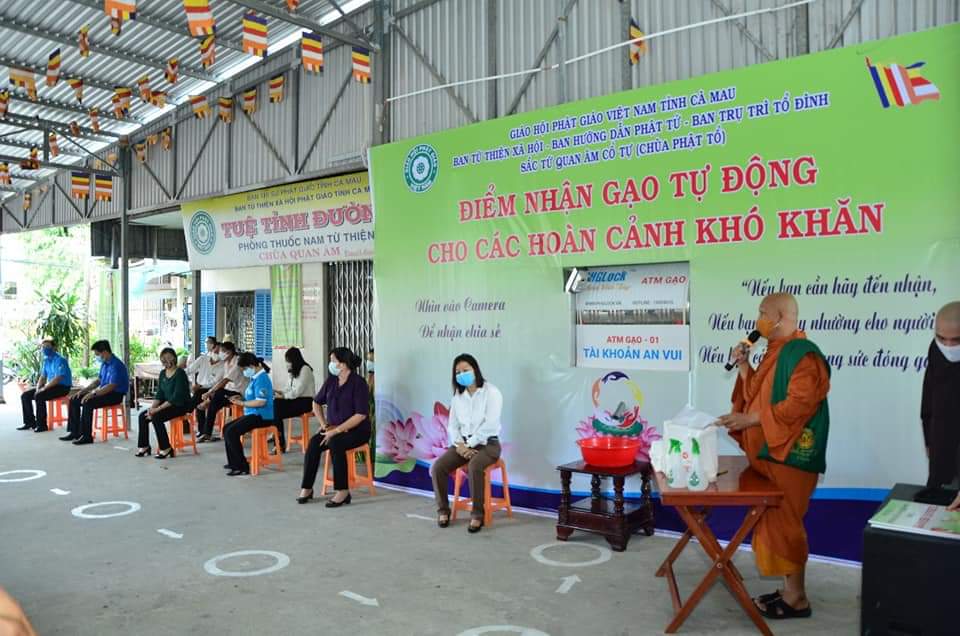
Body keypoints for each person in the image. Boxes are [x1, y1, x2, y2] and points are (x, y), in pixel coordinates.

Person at [717, 293, 830, 620]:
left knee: (788, 524)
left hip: (791, 456)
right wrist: (743, 366)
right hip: (769, 455)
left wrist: (751, 420)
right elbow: (755, 396)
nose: (757, 319)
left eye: (762, 313)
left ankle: (797, 599)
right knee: (777, 522)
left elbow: (799, 405)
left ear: (780, 317)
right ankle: (789, 590)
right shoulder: (774, 352)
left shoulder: (804, 357)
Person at [430, 353, 503, 534]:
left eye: (466, 370)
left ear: (475, 370)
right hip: (462, 443)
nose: (462, 374)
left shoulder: (491, 392)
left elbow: (490, 425)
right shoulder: (458, 395)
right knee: (438, 467)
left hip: (488, 444)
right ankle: (443, 510)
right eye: (458, 372)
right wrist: (460, 445)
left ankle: (477, 514)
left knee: (475, 466)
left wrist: (469, 444)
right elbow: (452, 425)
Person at [296, 347, 371, 507]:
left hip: (357, 431)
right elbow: (316, 403)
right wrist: (325, 426)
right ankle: (307, 488)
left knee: (336, 443)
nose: (330, 364)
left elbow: (360, 415)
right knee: (314, 443)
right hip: (333, 428)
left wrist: (336, 431)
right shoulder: (331, 381)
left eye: (333, 361)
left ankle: (342, 491)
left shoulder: (358, 383)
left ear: (343, 364)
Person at [922, 301, 960, 511]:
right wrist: (930, 439)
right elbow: (929, 399)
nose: (948, 346)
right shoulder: (936, 351)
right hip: (942, 447)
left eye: (956, 340)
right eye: (941, 338)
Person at [61, 340, 129, 445]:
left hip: (115, 394)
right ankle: (75, 432)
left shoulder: (117, 365)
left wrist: (93, 394)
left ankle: (87, 436)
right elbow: (99, 380)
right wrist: (84, 390)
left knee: (88, 402)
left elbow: (111, 386)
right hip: (104, 391)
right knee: (74, 399)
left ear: (105, 352)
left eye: (97, 354)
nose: (97, 357)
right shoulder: (105, 364)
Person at [222, 353, 275, 476]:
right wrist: (240, 398)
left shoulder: (262, 379)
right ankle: (233, 463)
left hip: (262, 416)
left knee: (232, 432)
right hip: (253, 414)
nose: (245, 372)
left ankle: (242, 466)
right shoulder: (255, 378)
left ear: (251, 365)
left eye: (245, 369)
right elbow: (252, 397)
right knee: (227, 428)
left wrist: (241, 403)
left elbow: (261, 402)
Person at [135, 347, 192, 459]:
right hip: (166, 403)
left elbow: (176, 397)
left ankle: (166, 448)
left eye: (169, 358)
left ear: (174, 358)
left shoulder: (180, 373)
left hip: (180, 405)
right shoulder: (162, 373)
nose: (167, 361)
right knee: (143, 416)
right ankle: (144, 446)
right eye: (164, 359)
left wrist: (157, 409)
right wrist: (152, 408)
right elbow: (160, 393)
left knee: (157, 417)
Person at [18, 338, 72, 432]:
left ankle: (42, 425)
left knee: (39, 395)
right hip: (50, 386)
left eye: (47, 346)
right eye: (43, 347)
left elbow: (58, 378)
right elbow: (43, 376)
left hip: (62, 387)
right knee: (25, 395)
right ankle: (29, 422)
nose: (45, 349)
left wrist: (44, 388)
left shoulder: (60, 360)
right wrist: (38, 387)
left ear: (54, 347)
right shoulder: (46, 361)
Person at [196, 342, 247, 442]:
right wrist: (211, 392)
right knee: (213, 404)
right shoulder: (226, 363)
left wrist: (209, 392)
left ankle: (208, 403)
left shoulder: (237, 362)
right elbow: (222, 381)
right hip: (228, 392)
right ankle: (206, 433)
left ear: (229, 352)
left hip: (239, 393)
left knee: (217, 394)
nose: (220, 354)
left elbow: (225, 380)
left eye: (221, 352)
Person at [272, 347, 316, 451]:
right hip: (295, 400)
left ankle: (278, 440)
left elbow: (297, 391)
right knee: (275, 406)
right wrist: (280, 392)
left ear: (294, 359)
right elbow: (288, 388)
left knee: (277, 407)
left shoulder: (305, 369)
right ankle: (277, 439)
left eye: (288, 361)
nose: (287, 363)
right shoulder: (293, 371)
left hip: (305, 402)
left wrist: (283, 396)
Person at [185, 337, 223, 439]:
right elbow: (190, 370)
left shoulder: (222, 365)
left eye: (218, 351)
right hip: (201, 388)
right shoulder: (202, 359)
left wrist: (200, 386)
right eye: (215, 350)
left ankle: (185, 411)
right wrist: (177, 372)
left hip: (212, 389)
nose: (216, 352)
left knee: (198, 397)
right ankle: (202, 430)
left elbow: (215, 382)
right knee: (198, 400)